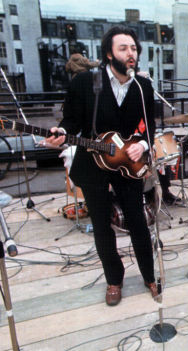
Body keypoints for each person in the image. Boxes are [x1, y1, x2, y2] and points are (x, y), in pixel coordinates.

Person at [44, 26, 158, 306]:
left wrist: (142, 145)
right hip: (92, 160)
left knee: (138, 222)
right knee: (102, 226)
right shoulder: (85, 82)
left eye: (133, 48)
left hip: (127, 164)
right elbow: (70, 120)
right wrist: (60, 132)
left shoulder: (143, 86)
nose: (130, 53)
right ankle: (114, 280)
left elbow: (151, 127)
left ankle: (149, 275)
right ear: (109, 53)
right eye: (123, 48)